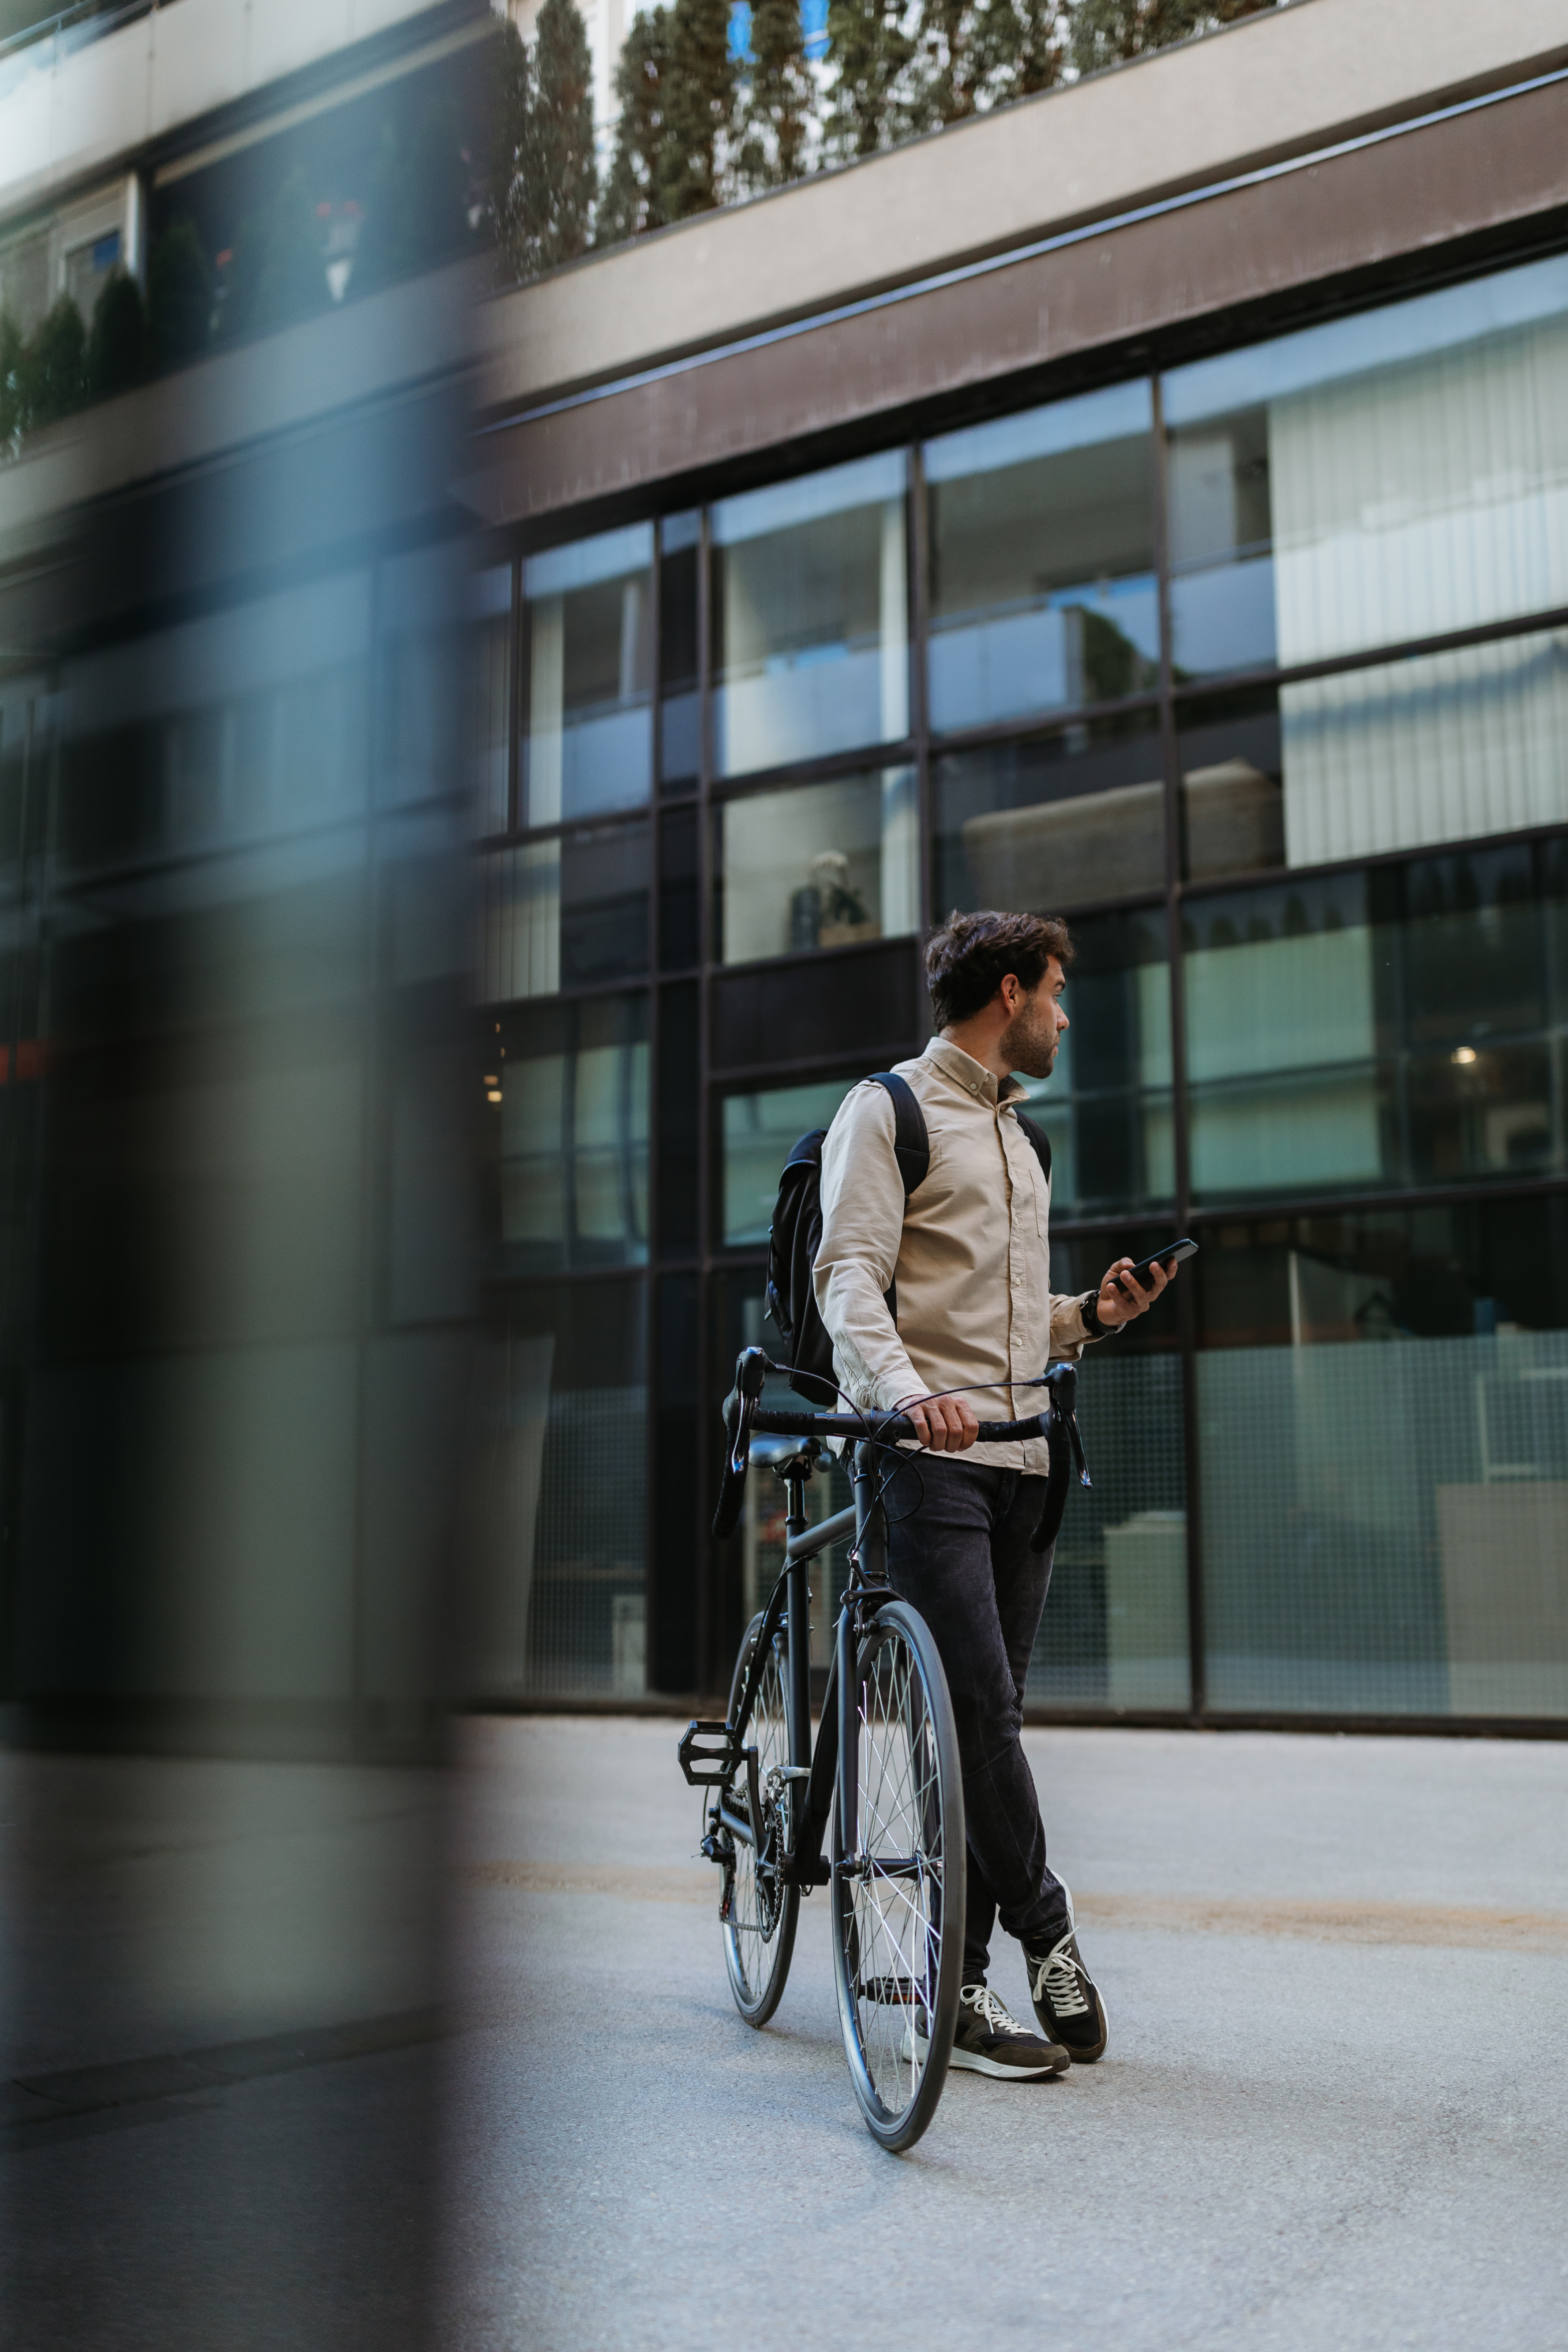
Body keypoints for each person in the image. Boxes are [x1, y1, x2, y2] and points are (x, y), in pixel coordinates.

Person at [813, 909, 1177, 2082]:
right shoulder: (890, 1111)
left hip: (1026, 1461)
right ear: (1009, 991)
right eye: (1058, 994)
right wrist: (913, 1396)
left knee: (982, 1731)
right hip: (927, 1462)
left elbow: (1014, 1329)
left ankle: (955, 1990)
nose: (1066, 1017)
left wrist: (1095, 1318)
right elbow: (849, 1281)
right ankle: (1048, 1932)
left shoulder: (1027, 1144)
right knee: (984, 1713)